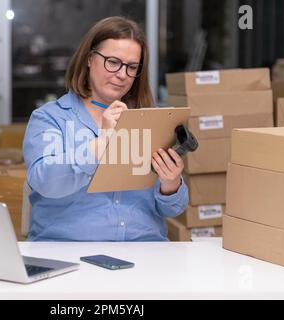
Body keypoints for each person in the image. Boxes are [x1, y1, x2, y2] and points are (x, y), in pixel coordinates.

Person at [23, 16, 188, 241]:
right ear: (90, 59)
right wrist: (102, 144)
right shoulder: (51, 118)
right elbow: (45, 182)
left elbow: (173, 209)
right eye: (113, 62)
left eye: (131, 67)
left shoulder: (149, 119)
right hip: (69, 253)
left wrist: (170, 183)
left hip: (145, 252)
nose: (122, 74)